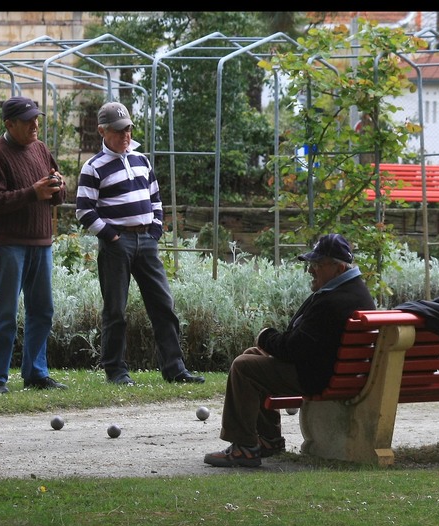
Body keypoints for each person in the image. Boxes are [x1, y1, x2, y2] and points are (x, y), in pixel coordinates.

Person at [203, 234, 376, 467]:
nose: (310, 271)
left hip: (318, 376)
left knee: (244, 367)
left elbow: (293, 348)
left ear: (338, 267)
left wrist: (265, 336)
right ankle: (268, 439)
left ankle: (244, 447)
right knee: (253, 356)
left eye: (317, 265)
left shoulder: (334, 300)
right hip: (334, 371)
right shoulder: (353, 292)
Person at [75, 101, 203, 386]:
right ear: (102, 131)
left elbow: (155, 197)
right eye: (119, 131)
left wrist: (155, 229)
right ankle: (116, 371)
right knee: (115, 310)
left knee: (163, 305)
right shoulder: (93, 167)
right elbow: (84, 210)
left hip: (146, 240)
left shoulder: (141, 160)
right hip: (117, 245)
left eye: (128, 129)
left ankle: (175, 369)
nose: (125, 136)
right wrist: (112, 237)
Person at [0, 96, 68, 394]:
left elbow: (55, 192)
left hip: (41, 243)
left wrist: (57, 187)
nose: (35, 124)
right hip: (8, 245)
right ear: (9, 124)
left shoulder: (40, 149)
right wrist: (33, 192)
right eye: (28, 120)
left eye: (36, 118)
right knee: (5, 312)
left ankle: (36, 373)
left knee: (42, 310)